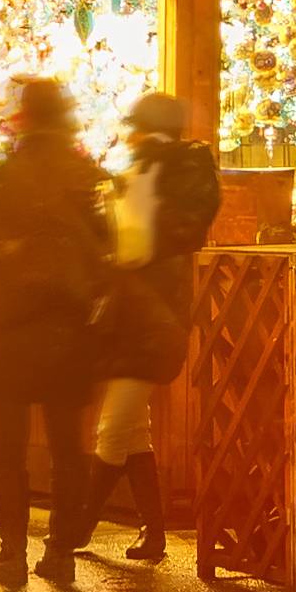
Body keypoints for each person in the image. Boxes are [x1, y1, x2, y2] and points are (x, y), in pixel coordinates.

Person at [0, 78, 113, 589]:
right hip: (68, 332)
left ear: (26, 117)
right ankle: (60, 553)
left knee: (8, 449)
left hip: (10, 329)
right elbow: (104, 251)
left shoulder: (12, 174)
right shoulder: (83, 173)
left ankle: (11, 554)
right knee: (68, 449)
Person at [95, 92, 225, 563]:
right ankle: (154, 534)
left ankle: (72, 531)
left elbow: (163, 238)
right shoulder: (145, 170)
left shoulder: (179, 172)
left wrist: (132, 210)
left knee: (112, 431)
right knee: (133, 432)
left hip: (156, 314)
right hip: (132, 312)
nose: (129, 135)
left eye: (137, 127)